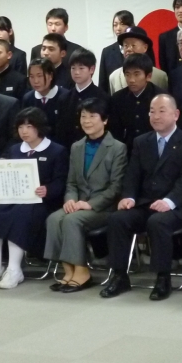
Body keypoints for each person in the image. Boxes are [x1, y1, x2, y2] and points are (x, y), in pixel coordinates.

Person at [100, 94, 182, 301]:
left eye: (161, 111)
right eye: (152, 111)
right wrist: (129, 196)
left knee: (158, 222)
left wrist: (169, 201)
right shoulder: (141, 141)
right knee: (117, 219)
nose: (155, 116)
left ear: (176, 114)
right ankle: (119, 276)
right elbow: (132, 174)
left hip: (178, 206)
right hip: (146, 203)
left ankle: (163, 278)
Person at [44, 98, 127, 292]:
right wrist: (70, 199)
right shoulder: (77, 146)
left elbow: (115, 187)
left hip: (103, 207)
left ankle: (82, 272)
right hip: (79, 203)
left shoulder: (117, 147)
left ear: (104, 120)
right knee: (54, 218)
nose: (87, 121)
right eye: (83, 116)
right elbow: (71, 182)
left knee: (72, 220)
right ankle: (68, 271)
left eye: (92, 116)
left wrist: (89, 204)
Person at [0, 107, 69, 289]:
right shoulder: (14, 150)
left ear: (40, 127)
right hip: (13, 199)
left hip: (42, 203)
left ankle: (14, 269)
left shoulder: (56, 150)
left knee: (21, 216)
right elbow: (3, 177)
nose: (24, 131)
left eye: (29, 126)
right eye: (21, 127)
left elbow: (61, 182)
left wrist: (47, 190)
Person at [55, 49, 109, 148]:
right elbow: (60, 130)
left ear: (91, 69)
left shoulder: (103, 97)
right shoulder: (64, 98)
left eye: (81, 68)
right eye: (73, 68)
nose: (76, 72)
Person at [108, 54, 160, 152]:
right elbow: (115, 131)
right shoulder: (117, 98)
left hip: (154, 149)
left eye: (137, 74)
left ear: (148, 76)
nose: (131, 80)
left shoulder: (159, 97)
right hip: (126, 150)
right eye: (127, 74)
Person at [108, 26, 168, 93]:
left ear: (145, 47)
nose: (129, 49)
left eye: (133, 45)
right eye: (126, 45)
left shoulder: (160, 76)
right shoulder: (114, 77)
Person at [21, 58, 70, 141]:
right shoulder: (28, 98)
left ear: (50, 76)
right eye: (32, 76)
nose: (36, 81)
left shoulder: (65, 96)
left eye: (39, 76)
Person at [99, 10, 133, 91]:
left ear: (131, 26)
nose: (118, 28)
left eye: (122, 24)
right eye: (115, 25)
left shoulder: (142, 48)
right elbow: (103, 83)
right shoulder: (107, 52)